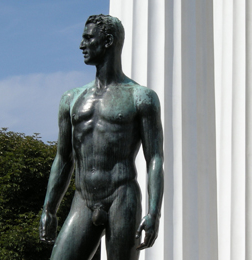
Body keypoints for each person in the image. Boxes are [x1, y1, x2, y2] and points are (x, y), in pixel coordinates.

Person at [39, 14, 164, 260]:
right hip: (83, 199)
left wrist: (153, 213)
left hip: (122, 196)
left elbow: (155, 159)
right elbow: (63, 159)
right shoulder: (71, 99)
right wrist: (49, 209)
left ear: (107, 41)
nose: (81, 45)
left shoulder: (141, 98)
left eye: (88, 38)